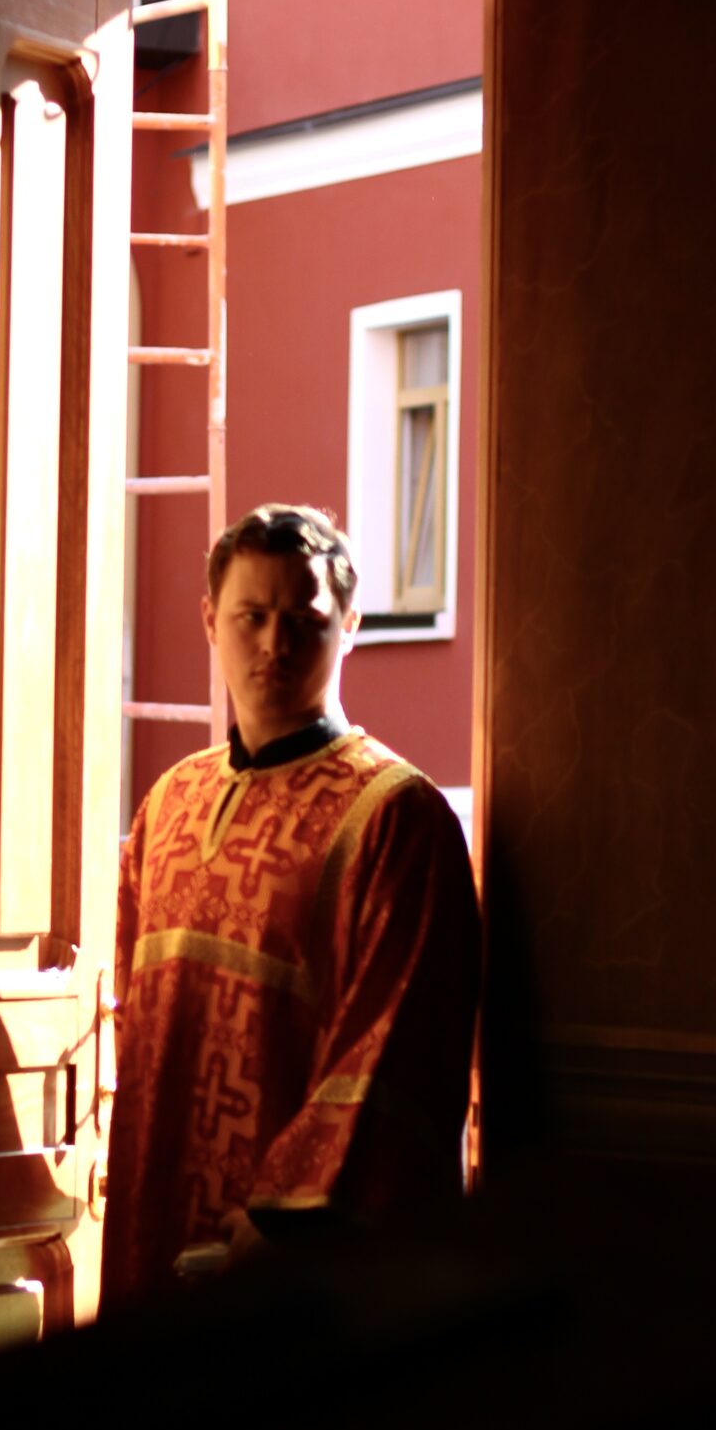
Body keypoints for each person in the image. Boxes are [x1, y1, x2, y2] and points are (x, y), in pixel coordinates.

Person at [102, 504, 482, 1306]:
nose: (275, 643)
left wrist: (289, 1219)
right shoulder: (168, 804)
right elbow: (138, 1021)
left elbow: (398, 1045)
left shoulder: (396, 816)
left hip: (292, 1253)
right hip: (154, 1208)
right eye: (252, 616)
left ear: (350, 626)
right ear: (210, 621)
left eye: (303, 620)